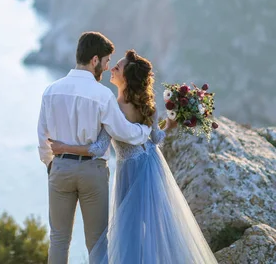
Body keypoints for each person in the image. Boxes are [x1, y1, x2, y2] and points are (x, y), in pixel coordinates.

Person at [49, 49, 217, 263]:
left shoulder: (113, 107)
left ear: (127, 77)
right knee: (155, 228)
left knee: (131, 230)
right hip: (151, 165)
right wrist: (170, 125)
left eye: (117, 68)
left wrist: (64, 147)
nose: (112, 69)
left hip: (132, 170)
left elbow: (99, 148)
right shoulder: (147, 105)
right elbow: (155, 138)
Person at [37, 32, 153, 264]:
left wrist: (51, 163)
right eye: (107, 61)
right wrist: (146, 131)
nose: (108, 66)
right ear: (94, 60)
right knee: (97, 243)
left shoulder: (51, 90)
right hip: (92, 172)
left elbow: (42, 137)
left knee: (58, 240)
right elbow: (124, 132)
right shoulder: (102, 95)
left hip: (60, 168)